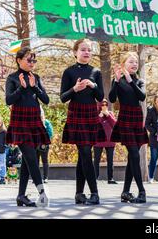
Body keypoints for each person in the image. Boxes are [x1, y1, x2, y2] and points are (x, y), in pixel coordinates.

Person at [61, 38, 106, 205]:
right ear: (75, 52)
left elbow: (100, 97)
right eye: (83, 49)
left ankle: (79, 193)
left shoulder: (96, 71)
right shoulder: (69, 72)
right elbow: (63, 97)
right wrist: (75, 89)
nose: (87, 52)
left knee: (83, 155)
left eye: (89, 49)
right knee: (86, 152)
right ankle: (94, 193)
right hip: (76, 114)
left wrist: (93, 86)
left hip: (90, 114)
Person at [5, 47, 50, 207]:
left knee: (27, 160)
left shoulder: (36, 77)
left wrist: (35, 87)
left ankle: (21, 196)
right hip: (19, 122)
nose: (32, 63)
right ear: (19, 60)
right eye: (28, 60)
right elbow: (8, 100)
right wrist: (21, 88)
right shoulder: (12, 78)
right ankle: (42, 193)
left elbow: (46, 100)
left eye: (34, 60)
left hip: (34, 120)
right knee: (31, 157)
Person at [110, 52, 149, 204]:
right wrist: (116, 80)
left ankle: (125, 192)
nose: (134, 64)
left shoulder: (139, 81)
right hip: (125, 117)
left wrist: (130, 81)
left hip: (137, 119)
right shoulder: (119, 81)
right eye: (131, 62)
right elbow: (112, 98)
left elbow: (142, 97)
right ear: (124, 64)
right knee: (134, 154)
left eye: (136, 62)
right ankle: (142, 191)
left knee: (132, 157)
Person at [94, 99, 117, 184]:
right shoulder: (96, 114)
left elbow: (115, 125)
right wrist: (100, 115)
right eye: (102, 105)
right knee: (96, 160)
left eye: (105, 104)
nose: (104, 106)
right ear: (99, 106)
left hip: (110, 141)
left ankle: (110, 178)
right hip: (98, 141)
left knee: (110, 160)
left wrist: (108, 115)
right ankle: (95, 178)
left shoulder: (110, 113)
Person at [37, 110, 53, 183]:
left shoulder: (46, 122)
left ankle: (45, 177)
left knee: (44, 160)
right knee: (36, 161)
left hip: (44, 144)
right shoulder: (34, 122)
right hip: (35, 144)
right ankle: (36, 178)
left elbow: (50, 133)